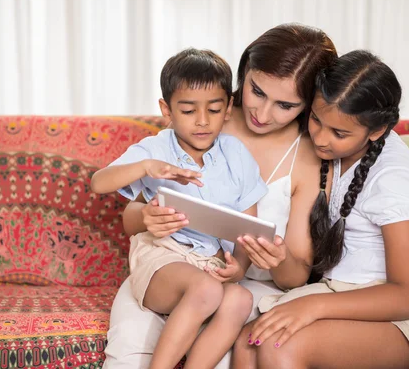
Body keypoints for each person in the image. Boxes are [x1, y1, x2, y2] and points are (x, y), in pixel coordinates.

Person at [103, 23, 338, 369]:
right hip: (169, 271)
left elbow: (294, 276)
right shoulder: (205, 118)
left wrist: (273, 257)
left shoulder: (307, 156)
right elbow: (131, 218)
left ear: (309, 105)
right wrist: (147, 217)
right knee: (131, 355)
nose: (262, 113)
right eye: (256, 92)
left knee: (232, 337)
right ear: (244, 75)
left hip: (242, 288)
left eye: (285, 105)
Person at [233, 50, 409, 369]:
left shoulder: (395, 181)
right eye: (315, 120)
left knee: (281, 348)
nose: (320, 139)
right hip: (348, 288)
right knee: (248, 343)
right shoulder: (328, 146)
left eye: (339, 133)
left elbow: (407, 297)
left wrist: (314, 307)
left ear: (377, 131)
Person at [92, 48, 269, 369]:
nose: (202, 121)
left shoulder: (236, 154)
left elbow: (247, 228)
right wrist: (145, 167)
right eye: (188, 111)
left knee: (239, 299)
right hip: (163, 258)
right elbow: (99, 183)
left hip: (209, 264)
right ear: (167, 109)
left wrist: (240, 268)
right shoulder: (156, 148)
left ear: (229, 107)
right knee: (206, 290)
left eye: (214, 110)